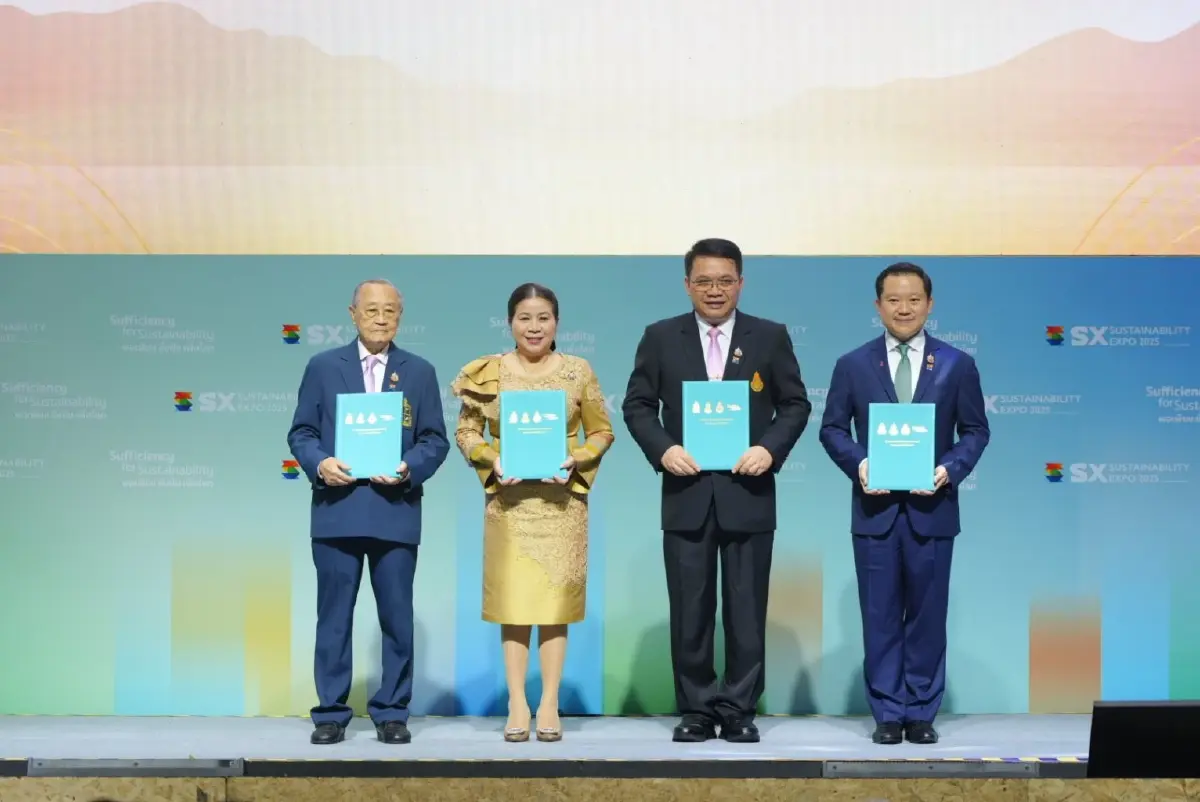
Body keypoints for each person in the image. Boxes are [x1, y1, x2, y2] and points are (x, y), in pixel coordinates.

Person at [622, 238, 811, 743]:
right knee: (691, 609)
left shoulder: (769, 337)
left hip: (748, 492)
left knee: (747, 610)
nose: (714, 290)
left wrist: (769, 448)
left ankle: (739, 708)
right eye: (703, 281)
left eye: (725, 281)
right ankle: (698, 710)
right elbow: (637, 405)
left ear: (741, 284)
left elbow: (795, 404)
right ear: (687, 284)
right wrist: (664, 449)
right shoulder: (660, 337)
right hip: (685, 493)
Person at [818, 262, 989, 745]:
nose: (904, 308)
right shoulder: (853, 364)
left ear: (930, 304)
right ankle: (888, 713)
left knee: (928, 617)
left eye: (914, 299)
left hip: (933, 512)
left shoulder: (957, 364)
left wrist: (948, 469)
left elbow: (975, 431)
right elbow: (832, 429)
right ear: (878, 306)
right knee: (879, 616)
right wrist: (860, 464)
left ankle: (921, 712)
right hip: (875, 513)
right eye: (894, 300)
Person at [286, 278, 450, 745]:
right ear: (353, 314)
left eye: (390, 310)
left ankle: (392, 711)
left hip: (394, 511)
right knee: (334, 617)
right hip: (336, 511)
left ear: (401, 316)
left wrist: (408, 467)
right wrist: (321, 463)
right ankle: (331, 713)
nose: (381, 318)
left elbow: (434, 439)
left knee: (397, 618)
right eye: (372, 310)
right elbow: (301, 433)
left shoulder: (419, 371)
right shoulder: (323, 366)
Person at [452, 282, 614, 743]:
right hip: (509, 507)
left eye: (544, 318)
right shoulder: (488, 371)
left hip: (562, 507)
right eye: (525, 318)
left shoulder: (579, 371)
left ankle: (549, 702)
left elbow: (602, 432)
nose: (534, 327)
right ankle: (517, 702)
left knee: (554, 607)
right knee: (515, 604)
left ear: (557, 323)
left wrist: (576, 458)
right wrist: (491, 458)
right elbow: (466, 431)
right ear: (510, 323)